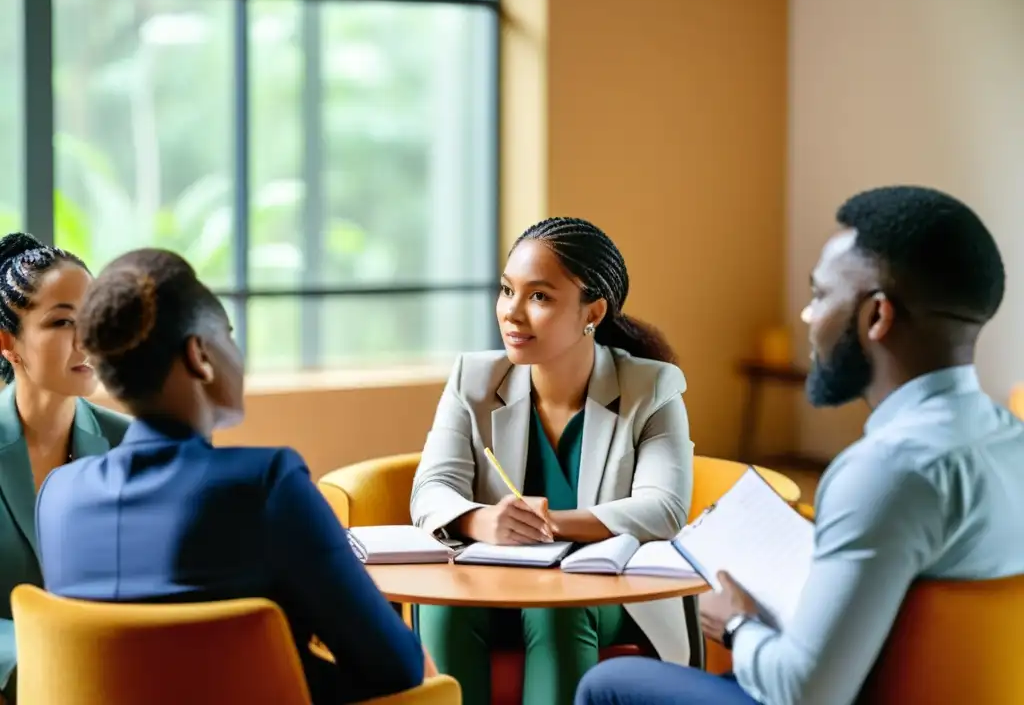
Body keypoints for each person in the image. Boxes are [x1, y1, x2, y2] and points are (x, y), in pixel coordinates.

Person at [575, 185, 1024, 705]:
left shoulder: (887, 471)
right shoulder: (1010, 435)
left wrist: (736, 623)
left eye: (819, 296)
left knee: (607, 683)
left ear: (877, 317)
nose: (809, 319)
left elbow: (807, 694)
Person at [33, 248, 428, 704]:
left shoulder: (58, 494)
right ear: (199, 354)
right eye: (229, 335)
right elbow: (396, 667)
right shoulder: (267, 484)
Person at [411, 217, 696, 705]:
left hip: (607, 592)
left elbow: (664, 509)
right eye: (506, 291)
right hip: (494, 581)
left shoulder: (652, 388)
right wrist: (483, 520)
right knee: (445, 607)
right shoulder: (472, 380)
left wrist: (548, 523)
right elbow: (432, 489)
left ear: (594, 311)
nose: (511, 314)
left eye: (539, 297)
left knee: (557, 607)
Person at [0, 233, 130, 705]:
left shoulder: (132, 444)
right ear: (8, 342)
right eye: (61, 322)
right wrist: (54, 653)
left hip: (122, 673)